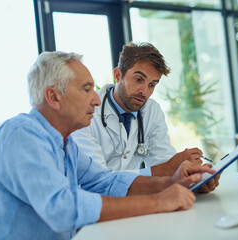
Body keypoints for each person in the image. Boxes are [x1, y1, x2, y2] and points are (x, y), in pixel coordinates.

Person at [0, 51, 215, 240]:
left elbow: (106, 182)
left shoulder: (65, 144)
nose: (95, 99)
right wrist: (160, 201)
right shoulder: (21, 134)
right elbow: (63, 208)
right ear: (53, 96)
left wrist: (173, 183)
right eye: (86, 89)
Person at [72, 42, 220, 192]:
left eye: (152, 85)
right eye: (138, 79)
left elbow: (165, 164)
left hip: (134, 199)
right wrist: (166, 169)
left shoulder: (152, 110)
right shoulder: (84, 113)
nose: (144, 91)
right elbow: (97, 180)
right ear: (117, 75)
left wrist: (193, 181)